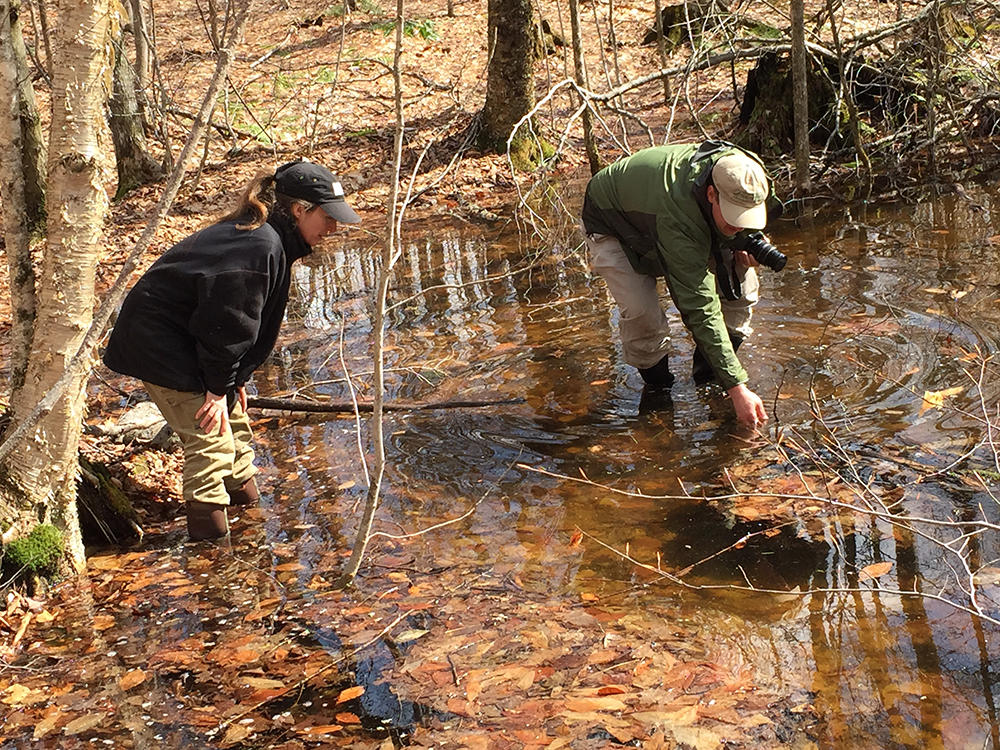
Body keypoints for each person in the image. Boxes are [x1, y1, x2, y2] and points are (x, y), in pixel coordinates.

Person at [103, 160, 362, 540]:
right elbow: (226, 324)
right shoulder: (259, 244)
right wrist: (215, 388)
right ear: (298, 210)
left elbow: (238, 324)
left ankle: (250, 529)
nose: (333, 229)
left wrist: (233, 379)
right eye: (328, 218)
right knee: (210, 442)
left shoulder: (269, 240)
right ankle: (215, 568)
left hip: (185, 339)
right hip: (159, 344)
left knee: (235, 425)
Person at [580, 140, 782, 428]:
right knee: (642, 313)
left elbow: (757, 219)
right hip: (613, 223)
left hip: (680, 216)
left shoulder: (751, 176)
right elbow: (700, 308)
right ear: (712, 194)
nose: (741, 226)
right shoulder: (677, 214)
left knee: (743, 289)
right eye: (735, 218)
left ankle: (708, 376)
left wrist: (747, 239)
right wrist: (738, 387)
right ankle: (659, 396)